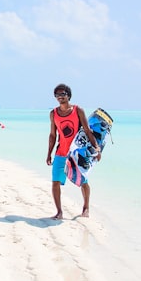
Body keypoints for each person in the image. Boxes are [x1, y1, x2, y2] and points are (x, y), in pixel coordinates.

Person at [46, 83, 100, 219]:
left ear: (68, 95)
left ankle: (86, 208)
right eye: (57, 95)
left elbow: (87, 130)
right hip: (61, 152)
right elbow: (53, 135)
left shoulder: (78, 110)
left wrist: (96, 148)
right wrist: (49, 153)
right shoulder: (53, 114)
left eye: (62, 94)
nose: (60, 97)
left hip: (77, 152)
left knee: (83, 181)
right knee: (55, 182)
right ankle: (59, 212)